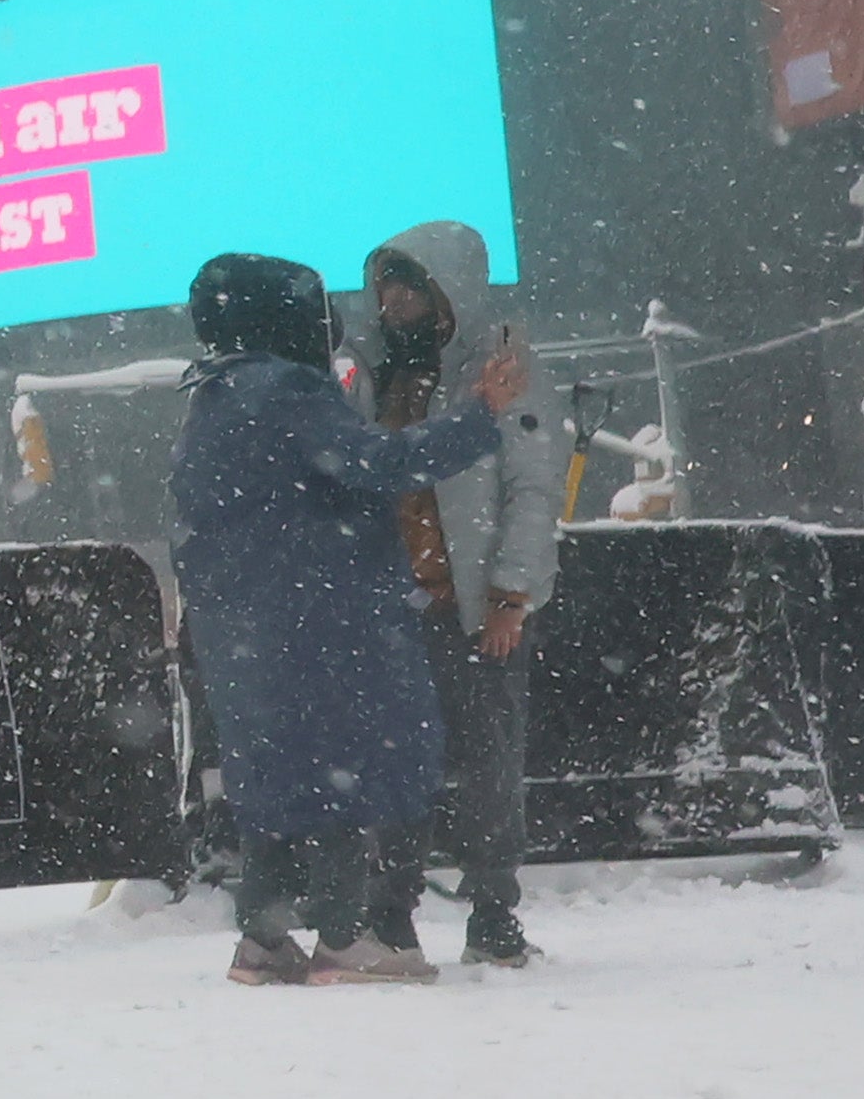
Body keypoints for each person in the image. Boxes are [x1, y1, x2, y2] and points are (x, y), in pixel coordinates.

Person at [173, 257, 536, 987]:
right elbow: (381, 462)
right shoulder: (288, 390)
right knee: (347, 764)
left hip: (241, 627)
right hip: (320, 616)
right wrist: (481, 416)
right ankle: (345, 937)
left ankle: (265, 940)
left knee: (273, 776)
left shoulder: (212, 395)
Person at [355, 222, 569, 969]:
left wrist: (512, 594)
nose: (395, 302)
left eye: (411, 285)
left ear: (452, 287)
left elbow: (533, 490)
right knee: (395, 767)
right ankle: (391, 914)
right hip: (397, 612)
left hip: (476, 610)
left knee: (488, 763)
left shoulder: (503, 364)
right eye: (386, 287)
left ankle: (492, 912)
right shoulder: (379, 373)